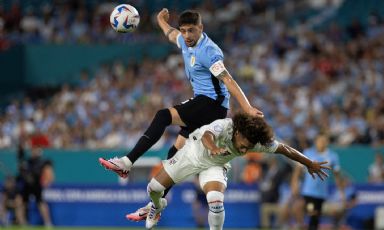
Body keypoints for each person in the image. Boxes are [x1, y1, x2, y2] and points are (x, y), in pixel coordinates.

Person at [99, 8, 263, 219]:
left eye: (191, 31)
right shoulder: (184, 41)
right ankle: (154, 207)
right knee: (173, 153)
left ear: (200, 29)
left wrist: (247, 107)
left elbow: (229, 80)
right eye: (184, 31)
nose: (186, 35)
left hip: (212, 104)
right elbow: (171, 34)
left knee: (163, 116)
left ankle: (126, 163)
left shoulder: (209, 51)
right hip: (203, 104)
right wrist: (160, 21)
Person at [126, 112, 330, 229]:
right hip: (193, 154)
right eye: (244, 144)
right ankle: (158, 204)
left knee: (215, 199)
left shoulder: (255, 142)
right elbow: (207, 136)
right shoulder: (225, 126)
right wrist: (214, 148)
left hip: (216, 164)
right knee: (153, 188)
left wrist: (308, 162)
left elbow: (284, 149)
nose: (245, 149)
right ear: (238, 132)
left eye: (250, 147)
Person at [291, 133, 344, 230]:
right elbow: (297, 171)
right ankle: (300, 225)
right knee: (308, 211)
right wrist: (294, 184)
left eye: (324, 141)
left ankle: (302, 226)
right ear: (316, 142)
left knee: (315, 217)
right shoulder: (308, 153)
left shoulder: (333, 156)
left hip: (321, 193)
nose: (322, 143)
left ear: (327, 142)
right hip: (308, 191)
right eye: (320, 141)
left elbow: (337, 176)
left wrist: (341, 193)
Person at [19, 147, 54, 227]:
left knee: (41, 203)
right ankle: (23, 223)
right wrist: (25, 175)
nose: (34, 152)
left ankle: (48, 223)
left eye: (36, 150)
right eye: (33, 150)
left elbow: (48, 173)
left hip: (37, 185)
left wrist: (47, 181)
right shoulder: (28, 161)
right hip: (27, 185)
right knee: (23, 203)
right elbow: (22, 172)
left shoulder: (43, 162)